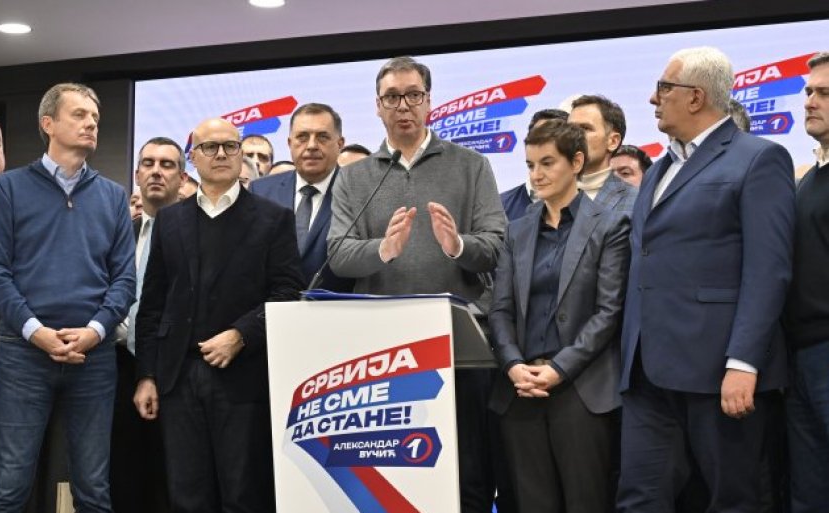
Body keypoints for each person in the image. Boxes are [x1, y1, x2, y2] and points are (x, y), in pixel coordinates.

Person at [617, 47, 795, 512]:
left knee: (732, 501)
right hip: (646, 370)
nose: (653, 98)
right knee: (638, 499)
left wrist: (744, 362)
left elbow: (768, 269)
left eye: (663, 88)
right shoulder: (657, 169)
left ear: (695, 97)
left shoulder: (759, 158)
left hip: (718, 370)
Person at [328, 55, 507, 513]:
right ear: (377, 106)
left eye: (413, 95)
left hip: (460, 348)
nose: (403, 105)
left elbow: (496, 246)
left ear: (429, 101)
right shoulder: (354, 177)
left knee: (468, 473)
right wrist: (383, 250)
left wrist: (457, 245)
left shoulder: (471, 165)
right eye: (392, 97)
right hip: (383, 353)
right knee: (395, 476)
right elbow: (338, 254)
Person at [0, 83, 136, 512]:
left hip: (93, 356)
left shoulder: (113, 195)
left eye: (95, 118)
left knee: (94, 487)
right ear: (48, 123)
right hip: (22, 355)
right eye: (79, 115)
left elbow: (125, 279)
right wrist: (36, 332)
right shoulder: (10, 188)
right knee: (10, 483)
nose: (91, 124)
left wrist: (95, 331)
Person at [133, 117, 304, 513]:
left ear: (241, 153)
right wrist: (146, 375)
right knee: (186, 497)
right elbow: (153, 303)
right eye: (210, 147)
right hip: (178, 380)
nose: (221, 154)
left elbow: (287, 293)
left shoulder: (273, 218)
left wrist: (241, 334)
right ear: (193, 158)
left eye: (230, 146)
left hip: (243, 378)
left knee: (243, 495)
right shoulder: (170, 220)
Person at [489, 119, 629, 513]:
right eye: (530, 165)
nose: (537, 174)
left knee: (586, 501)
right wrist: (513, 365)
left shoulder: (610, 225)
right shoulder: (516, 230)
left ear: (577, 162)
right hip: (520, 390)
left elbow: (608, 312)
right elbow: (500, 309)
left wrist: (559, 368)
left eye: (547, 163)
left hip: (581, 389)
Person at [111, 137, 186, 513]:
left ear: (183, 178)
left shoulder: (192, 234)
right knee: (123, 474)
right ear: (137, 174)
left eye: (167, 164)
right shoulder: (120, 233)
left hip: (172, 369)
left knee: (169, 478)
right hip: (118, 364)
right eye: (149, 164)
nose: (156, 172)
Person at [784, 50, 829, 513]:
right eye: (809, 91)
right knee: (808, 494)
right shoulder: (809, 177)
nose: (810, 101)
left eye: (825, 93)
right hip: (799, 355)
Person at [249, 103, 354, 292]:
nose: (312, 145)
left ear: (340, 144)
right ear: (290, 143)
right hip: (273, 307)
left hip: (338, 306)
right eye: (302, 137)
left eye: (322, 137)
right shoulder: (261, 191)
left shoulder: (358, 191)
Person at [499, 108, 568, 221]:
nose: (543, 145)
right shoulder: (500, 207)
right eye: (537, 138)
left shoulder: (591, 206)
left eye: (552, 138)